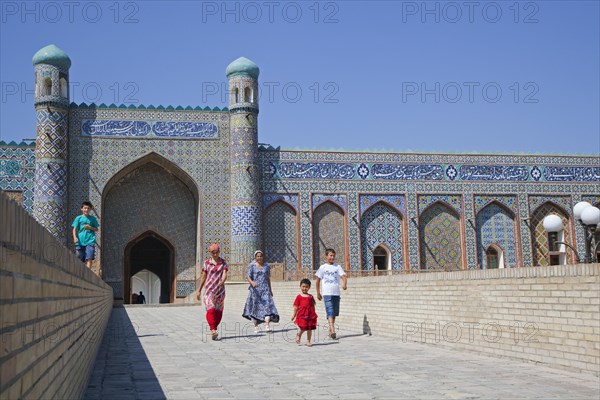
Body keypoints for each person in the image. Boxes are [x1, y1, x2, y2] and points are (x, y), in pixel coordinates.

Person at [242, 250, 280, 333]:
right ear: (255, 257)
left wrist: (270, 290)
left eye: (260, 256)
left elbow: (268, 278)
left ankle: (267, 325)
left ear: (263, 257)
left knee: (267, 307)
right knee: (255, 308)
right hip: (255, 291)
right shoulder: (252, 265)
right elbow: (248, 276)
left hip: (265, 289)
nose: (259, 258)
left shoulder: (266, 266)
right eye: (257, 256)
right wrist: (252, 282)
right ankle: (256, 326)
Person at [196, 244, 228, 340]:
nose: (215, 254)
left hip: (220, 291)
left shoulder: (223, 262)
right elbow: (203, 277)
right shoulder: (206, 263)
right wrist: (199, 290)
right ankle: (213, 330)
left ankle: (214, 327)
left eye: (216, 252)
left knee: (218, 311)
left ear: (219, 252)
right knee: (211, 309)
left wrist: (222, 281)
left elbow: (225, 273)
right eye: (213, 252)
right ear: (210, 253)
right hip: (209, 289)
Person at [315, 248, 347, 339]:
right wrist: (318, 292)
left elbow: (344, 277)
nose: (332, 257)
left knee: (334, 313)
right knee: (329, 311)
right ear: (326, 256)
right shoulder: (323, 267)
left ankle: (330, 329)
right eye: (330, 255)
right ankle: (333, 330)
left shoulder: (337, 267)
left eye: (333, 256)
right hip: (327, 293)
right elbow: (317, 280)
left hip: (336, 293)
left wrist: (344, 284)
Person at [71, 201, 100, 272]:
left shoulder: (92, 219)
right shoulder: (78, 218)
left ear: (90, 210)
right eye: (85, 208)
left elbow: (96, 229)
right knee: (80, 258)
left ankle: (88, 273)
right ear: (82, 209)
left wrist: (90, 227)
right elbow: (74, 229)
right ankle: (80, 273)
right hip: (80, 241)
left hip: (90, 240)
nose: (86, 210)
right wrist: (75, 237)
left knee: (89, 257)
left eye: (88, 208)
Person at [291, 278, 318, 347]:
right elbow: (296, 307)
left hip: (310, 314)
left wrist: (314, 315)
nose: (304, 288)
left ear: (309, 287)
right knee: (303, 327)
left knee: (310, 328)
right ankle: (299, 334)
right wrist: (294, 315)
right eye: (303, 286)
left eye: (306, 287)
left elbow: (313, 306)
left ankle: (308, 341)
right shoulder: (299, 297)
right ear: (300, 286)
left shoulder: (311, 297)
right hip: (302, 314)